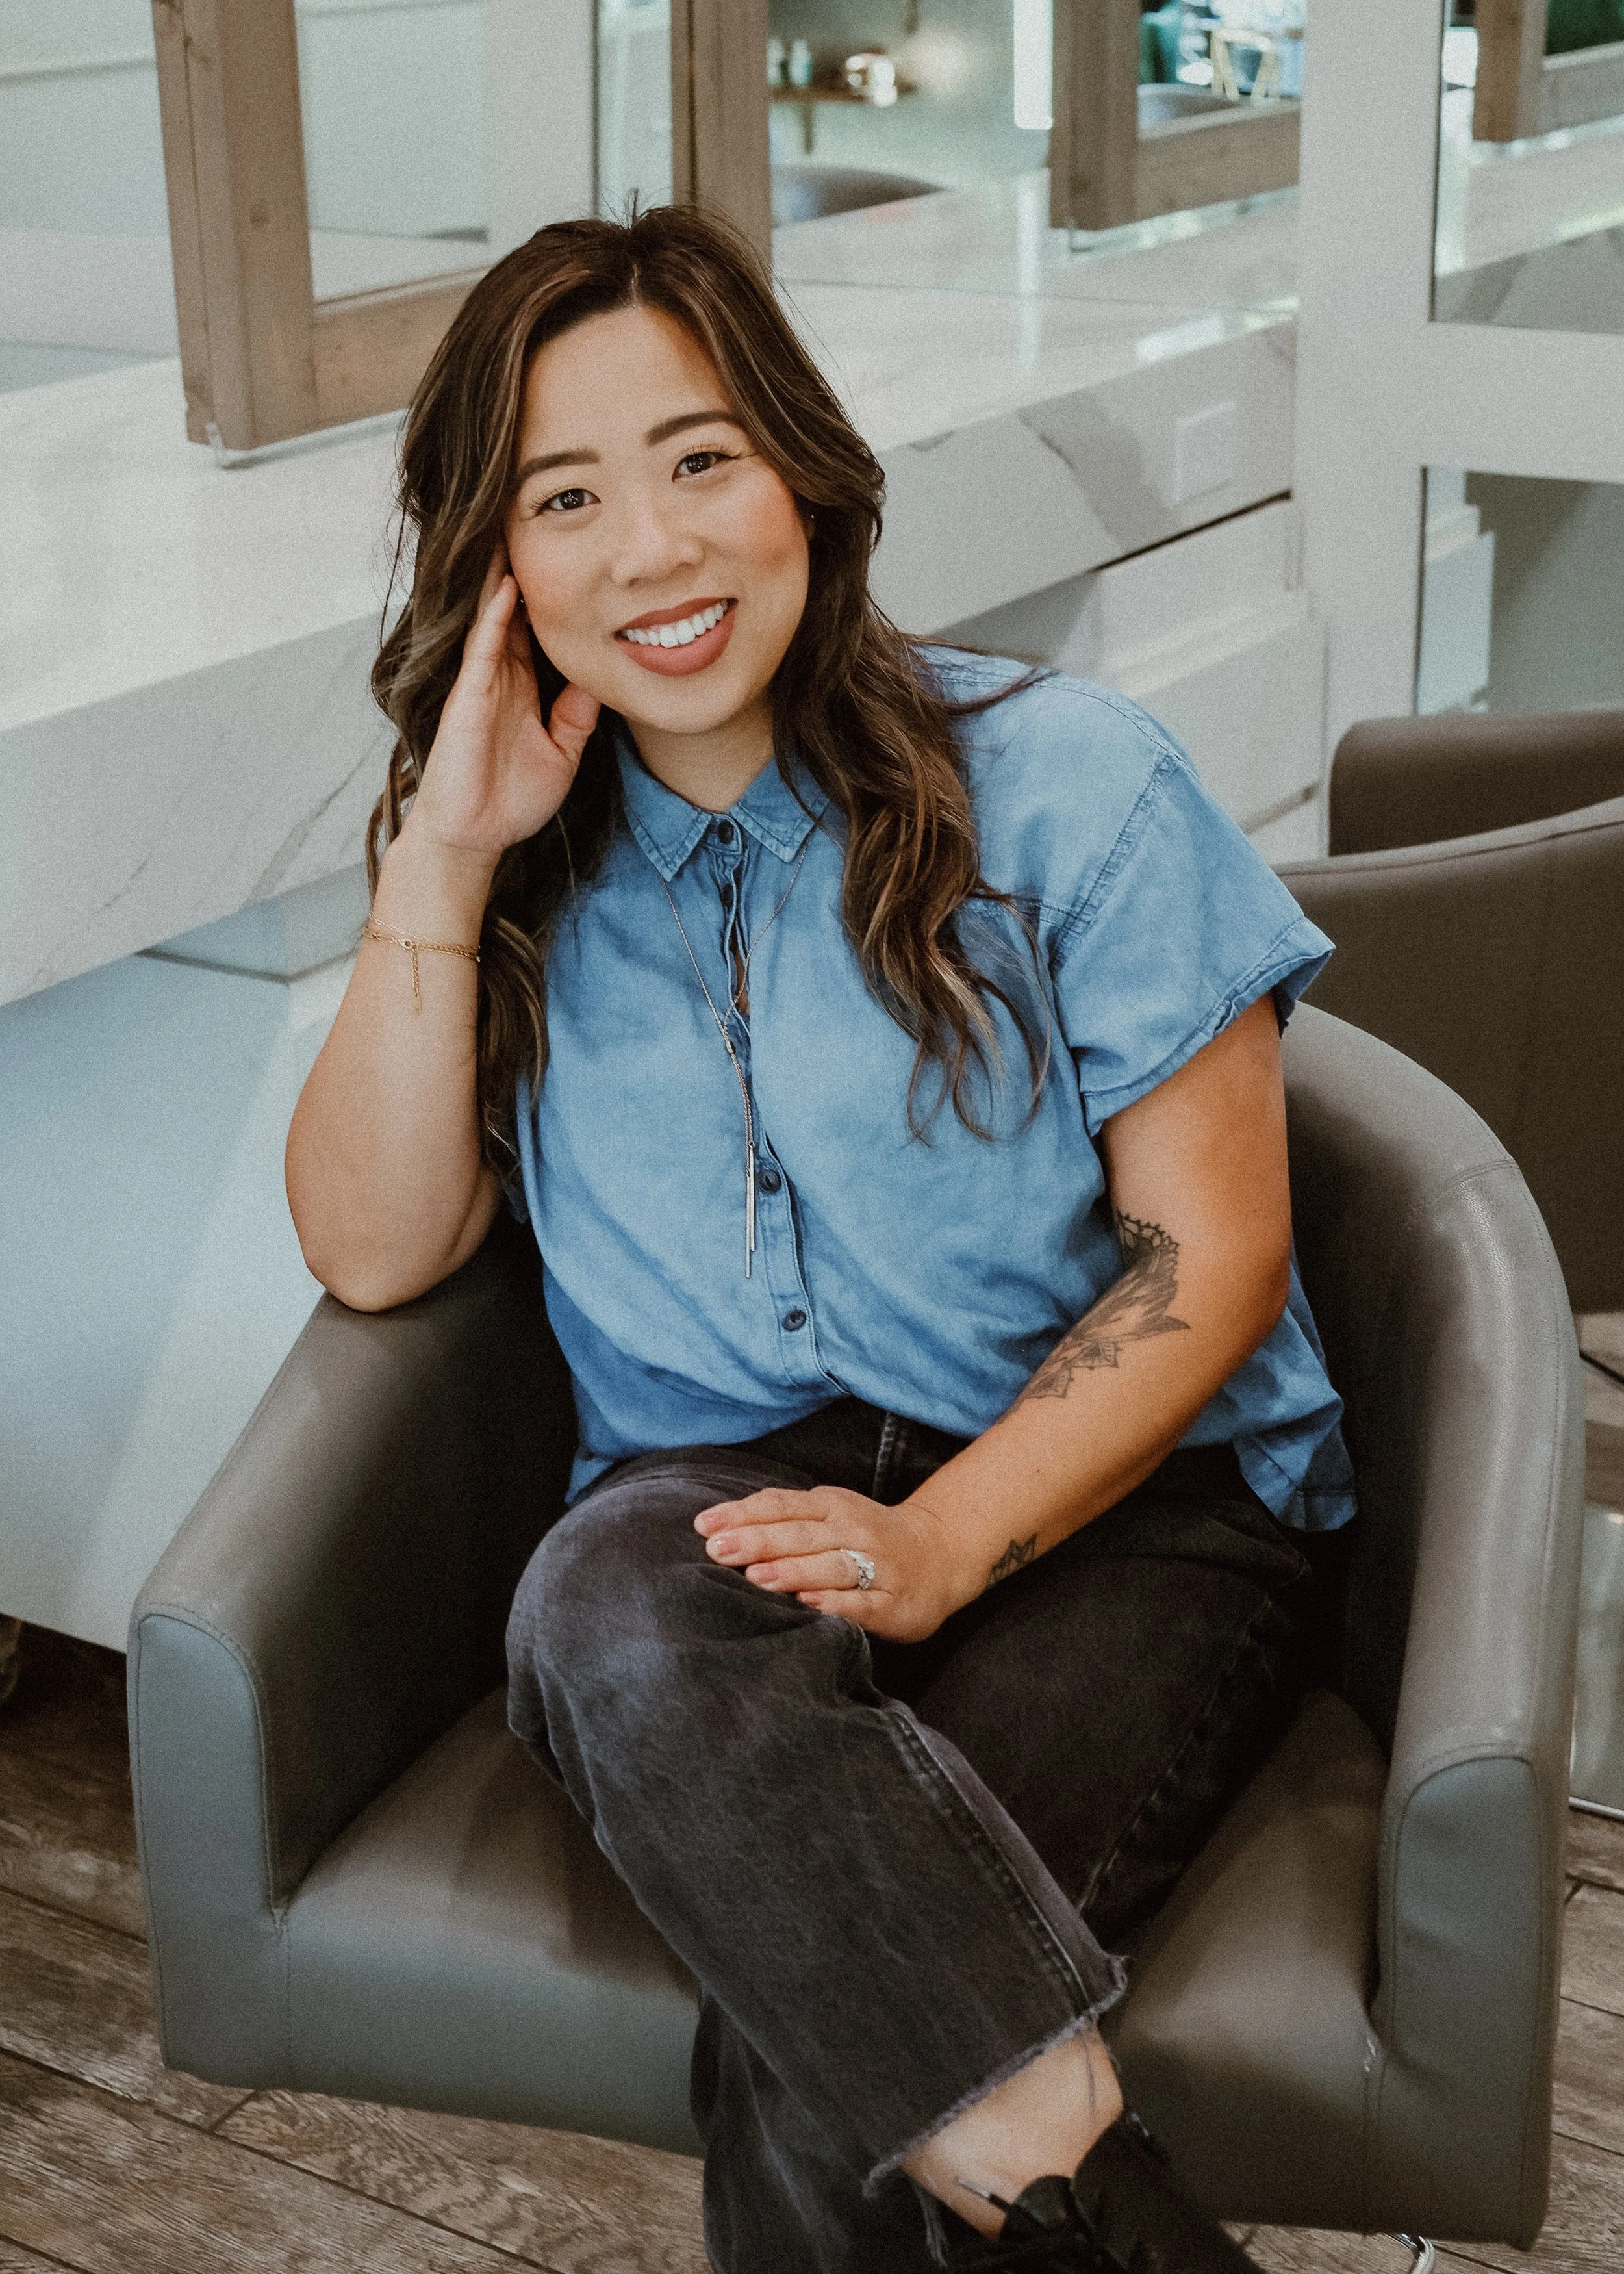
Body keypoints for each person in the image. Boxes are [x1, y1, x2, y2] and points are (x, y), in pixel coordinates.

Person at [285, 204, 1356, 2274]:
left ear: (801, 467)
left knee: (824, 2021)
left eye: (700, 460)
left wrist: (947, 1538)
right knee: (595, 1609)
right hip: (716, 1523)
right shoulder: (505, 859)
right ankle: (1094, 2199)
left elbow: (1207, 1261)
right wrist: (438, 854)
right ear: (494, 567)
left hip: (1129, 1505)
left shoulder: (1065, 787)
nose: (655, 552)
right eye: (565, 498)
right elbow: (372, 1250)